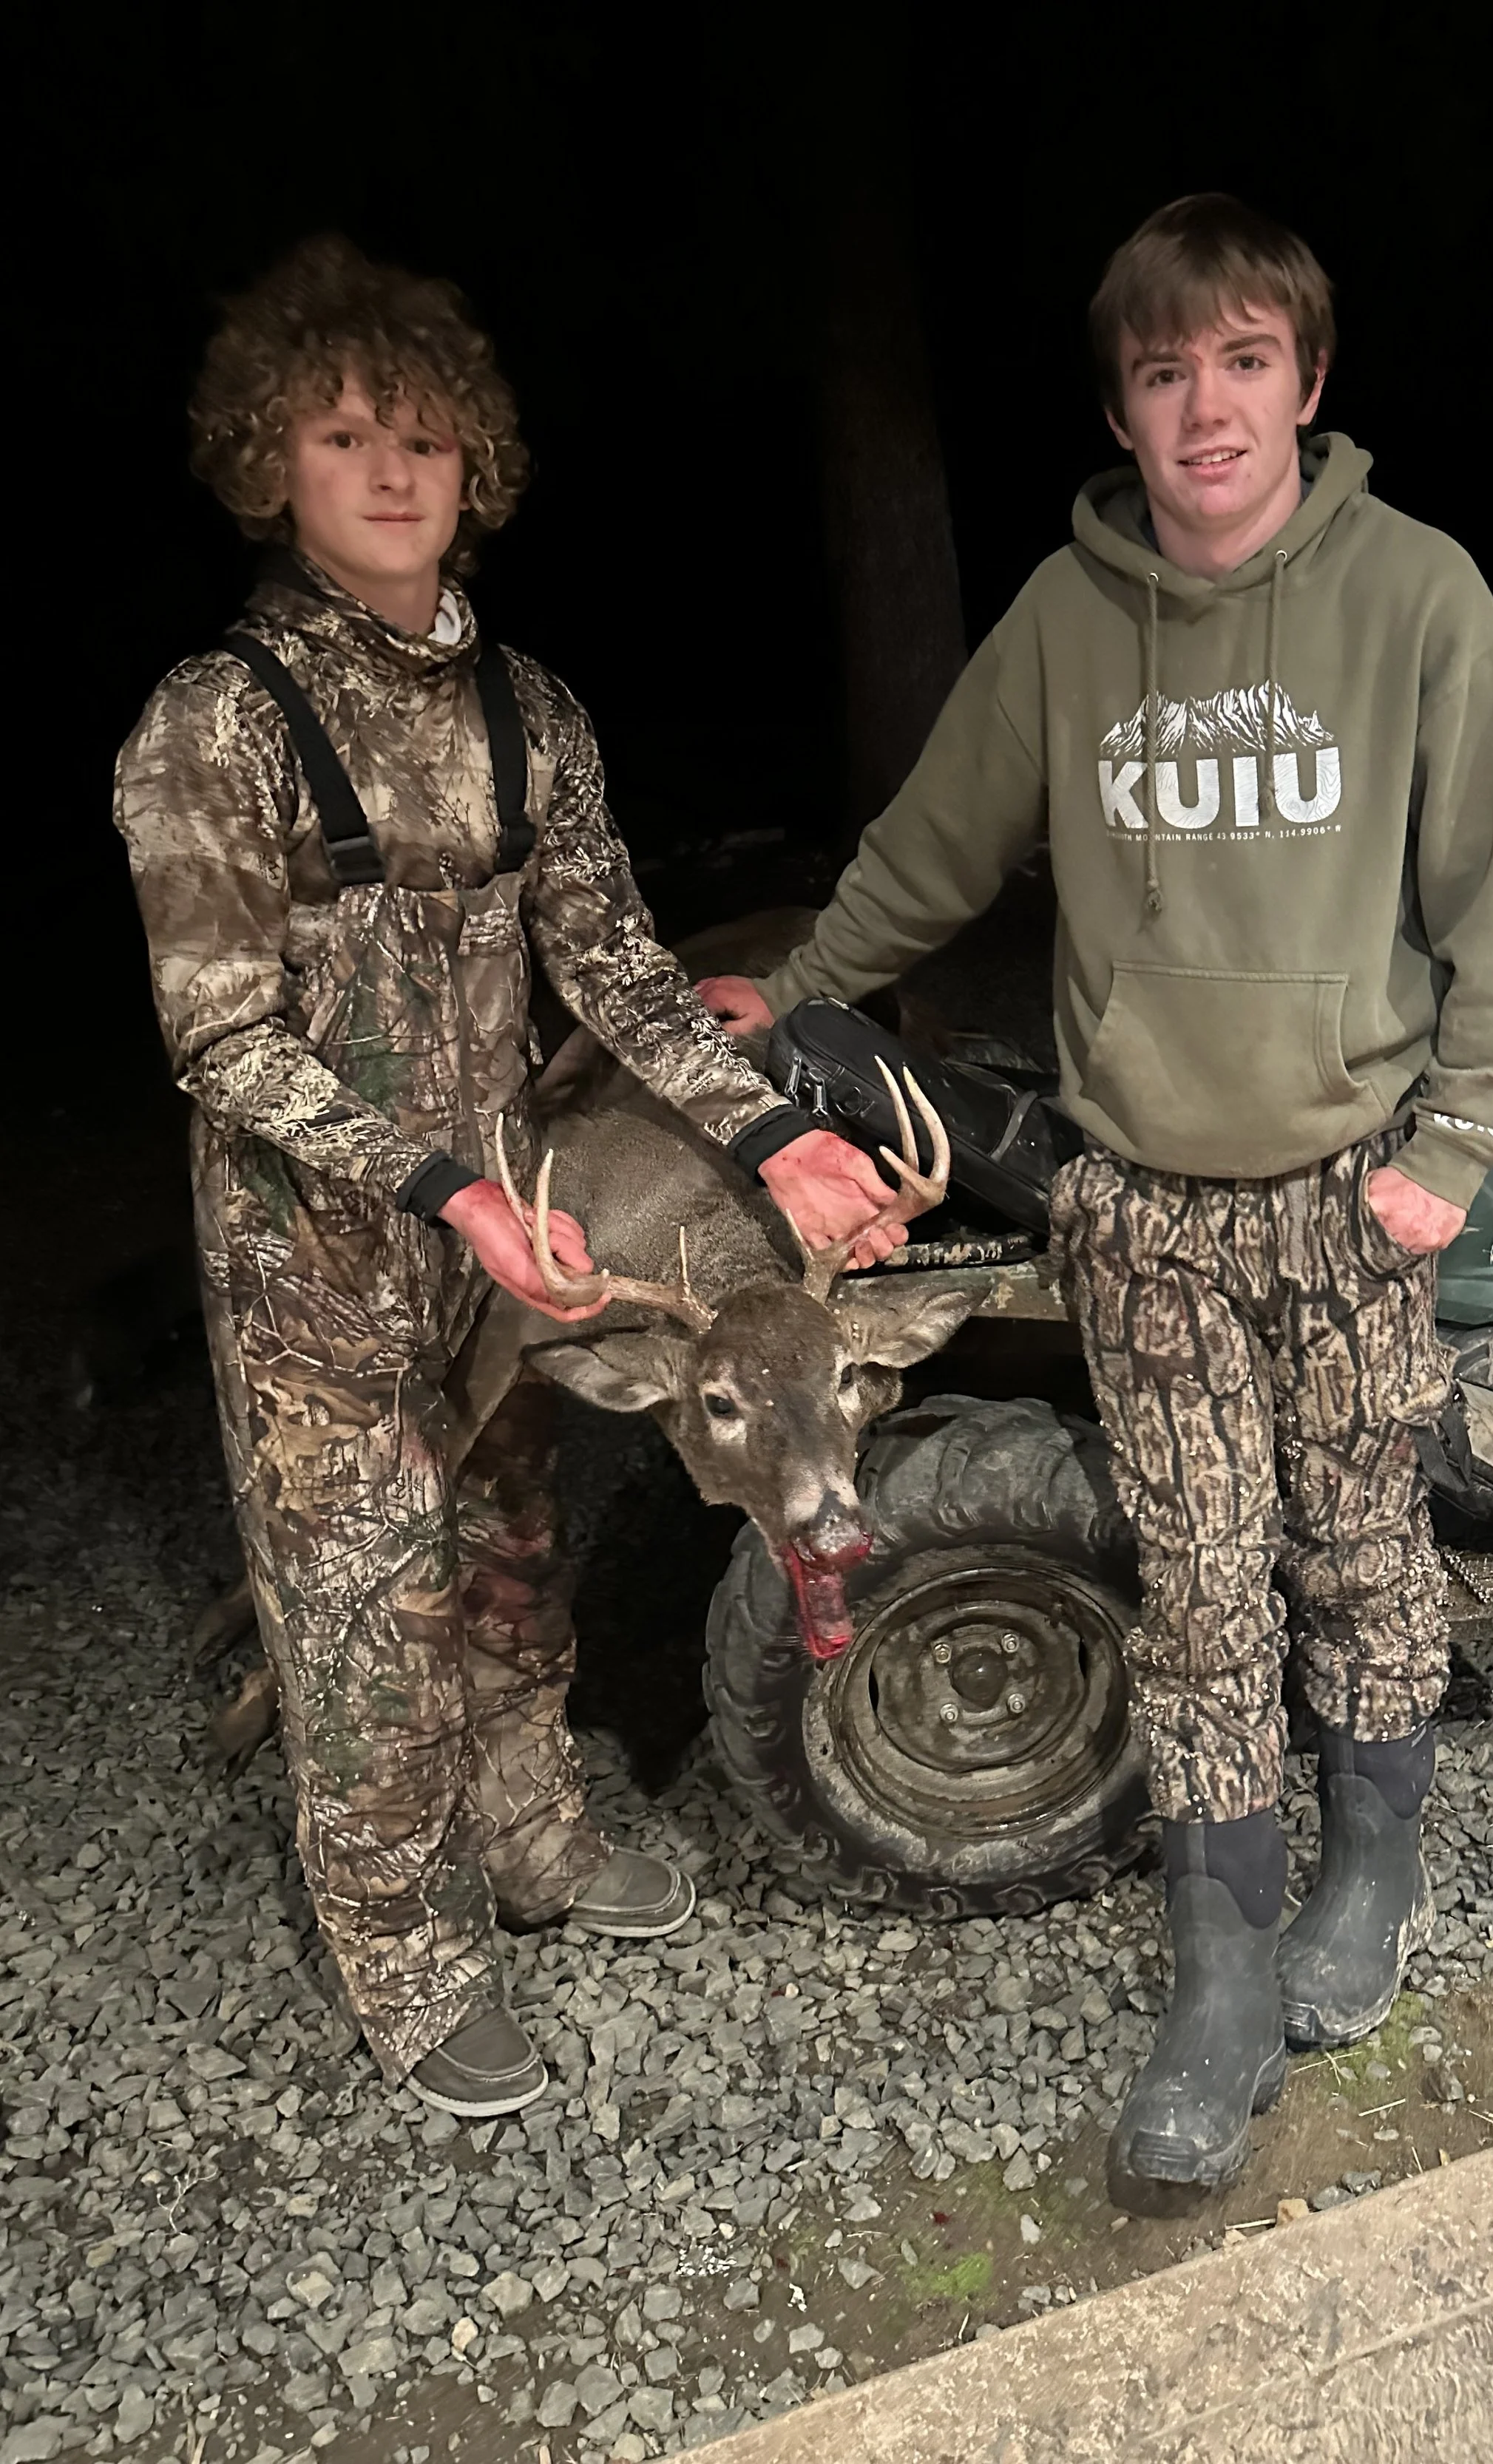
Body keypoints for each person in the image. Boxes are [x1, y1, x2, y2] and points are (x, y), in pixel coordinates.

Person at [700, 193, 1493, 2195]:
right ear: (1120, 402)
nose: (1206, 406)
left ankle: (1364, 1877)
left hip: (1353, 1196)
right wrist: (812, 996)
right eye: (1164, 368)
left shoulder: (1414, 597)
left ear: (1308, 379)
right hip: (1147, 1214)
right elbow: (932, 847)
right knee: (1198, 1589)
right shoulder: (1063, 619)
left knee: (1361, 1558)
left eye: (1244, 360)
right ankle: (1214, 1970)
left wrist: (1451, 1152)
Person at [115, 237, 896, 2118]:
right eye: (342, 436)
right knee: (363, 1601)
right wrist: (438, 1186)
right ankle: (402, 1950)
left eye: (428, 440)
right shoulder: (208, 726)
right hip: (323, 1258)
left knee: (512, 1554)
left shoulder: (528, 713)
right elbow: (220, 1040)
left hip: (513, 1234)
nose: (392, 474)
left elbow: (619, 972)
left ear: (477, 471)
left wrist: (779, 1130)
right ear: (266, 464)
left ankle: (537, 1840)